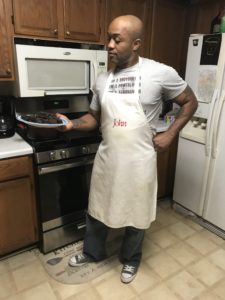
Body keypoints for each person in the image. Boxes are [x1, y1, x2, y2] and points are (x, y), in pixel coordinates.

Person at [57, 15, 198, 284]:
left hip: (139, 160)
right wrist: (72, 124)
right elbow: (94, 119)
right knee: (97, 207)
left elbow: (190, 101)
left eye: (116, 39)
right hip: (108, 156)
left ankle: (131, 259)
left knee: (137, 211)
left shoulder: (159, 73)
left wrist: (170, 134)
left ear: (136, 44)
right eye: (108, 38)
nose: (109, 45)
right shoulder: (102, 80)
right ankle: (93, 252)